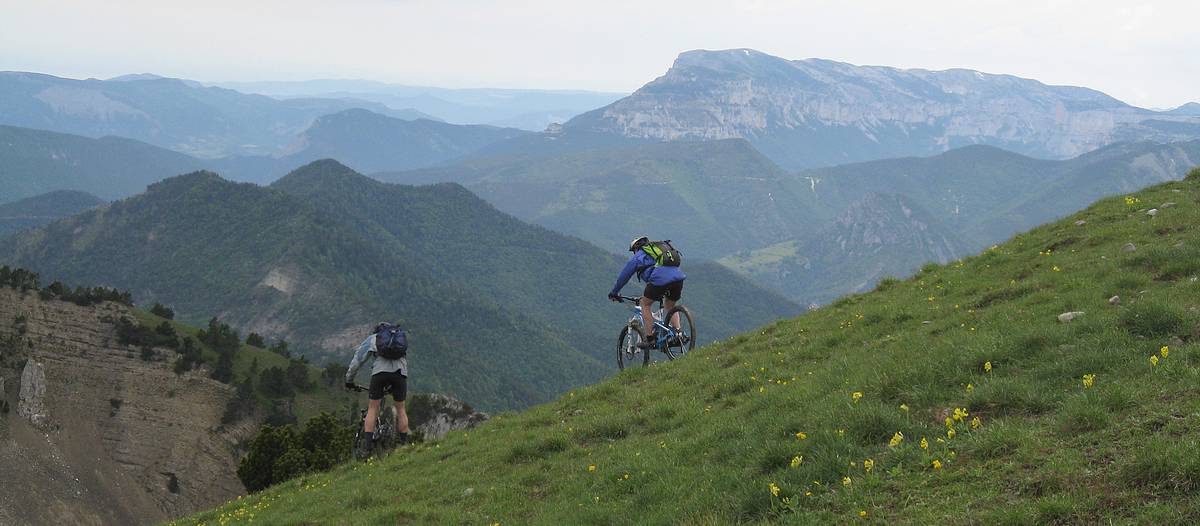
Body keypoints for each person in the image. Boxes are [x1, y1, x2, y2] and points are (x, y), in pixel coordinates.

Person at [608, 236, 686, 349]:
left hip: (660, 280)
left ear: (635, 248)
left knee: (645, 304)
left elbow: (623, 277)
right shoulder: (659, 251)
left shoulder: (638, 256)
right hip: (678, 278)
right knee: (670, 305)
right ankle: (678, 333)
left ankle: (650, 339)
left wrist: (614, 292)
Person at [344, 323, 410, 455]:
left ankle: (367, 448)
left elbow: (358, 360)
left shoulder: (374, 338)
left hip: (380, 374)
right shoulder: (398, 339)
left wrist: (349, 380)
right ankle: (405, 445)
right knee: (401, 409)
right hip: (400, 374)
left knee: (373, 408)